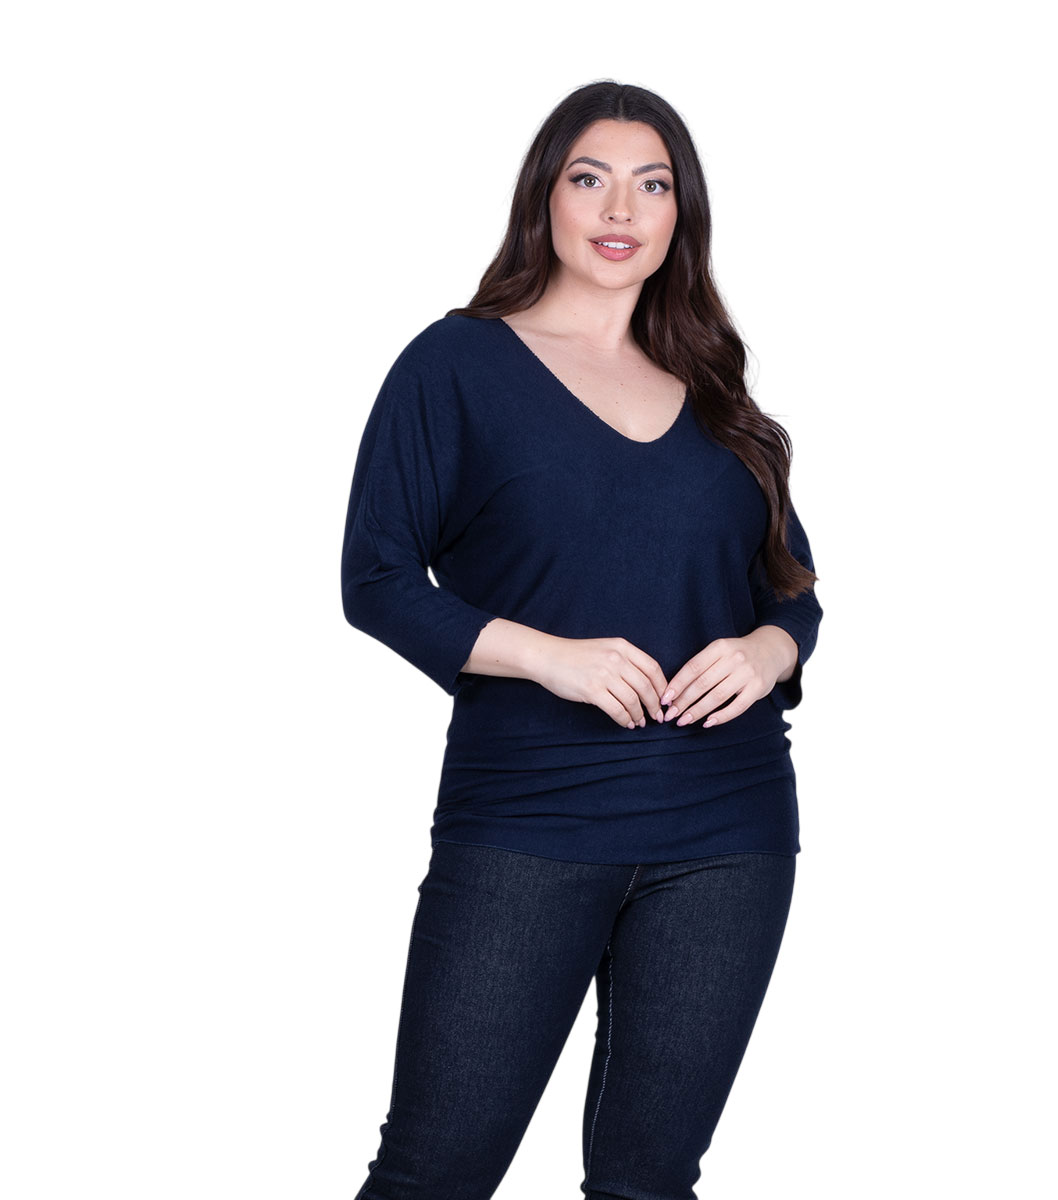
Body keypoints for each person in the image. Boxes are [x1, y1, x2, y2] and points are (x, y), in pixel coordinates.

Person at [340, 79, 823, 1200]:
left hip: (730, 829)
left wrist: (769, 652)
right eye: (590, 178)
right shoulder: (456, 366)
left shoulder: (712, 383)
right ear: (544, 198)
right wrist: (546, 655)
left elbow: (791, 590)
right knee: (433, 1174)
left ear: (680, 212)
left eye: (652, 185)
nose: (620, 209)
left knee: (650, 1183)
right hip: (530, 819)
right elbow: (375, 580)